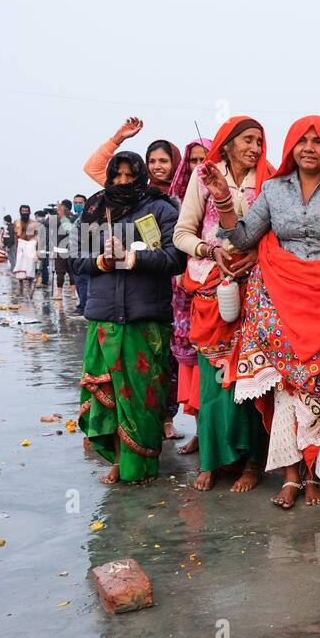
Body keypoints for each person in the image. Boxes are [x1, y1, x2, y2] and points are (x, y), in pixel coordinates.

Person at [212, 115, 320, 508]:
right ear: (291, 147)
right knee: (287, 391)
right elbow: (241, 237)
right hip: (281, 297)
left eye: (317, 141)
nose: (309, 147)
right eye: (301, 141)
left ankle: (318, 476)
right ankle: (291, 477)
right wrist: (223, 199)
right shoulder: (274, 190)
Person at [71, 151, 186, 484]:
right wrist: (103, 262)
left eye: (130, 176)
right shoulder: (95, 210)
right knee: (110, 398)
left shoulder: (160, 208)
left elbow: (174, 258)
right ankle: (120, 462)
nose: (123, 181)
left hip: (145, 317)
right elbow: (77, 261)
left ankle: (146, 464)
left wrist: (134, 258)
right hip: (104, 316)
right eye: (117, 175)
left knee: (144, 396)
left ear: (141, 177)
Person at [174, 117, 272, 494]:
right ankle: (212, 460)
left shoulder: (268, 180)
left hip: (255, 288)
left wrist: (257, 257)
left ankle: (252, 461)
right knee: (214, 381)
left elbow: (277, 233)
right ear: (227, 144)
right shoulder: (204, 177)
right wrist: (209, 251)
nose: (255, 148)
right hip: (210, 290)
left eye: (260, 142)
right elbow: (182, 233)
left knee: (250, 376)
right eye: (248, 140)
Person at [166, 137, 212, 453]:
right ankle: (199, 431)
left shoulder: (217, 195)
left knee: (212, 365)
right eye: (193, 161)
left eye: (204, 159)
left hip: (213, 287)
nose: (198, 167)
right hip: (182, 294)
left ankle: (214, 434)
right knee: (191, 365)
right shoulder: (173, 200)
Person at [12, 204, 38, 298]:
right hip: (21, 244)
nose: (25, 213)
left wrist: (37, 248)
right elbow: (15, 235)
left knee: (30, 265)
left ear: (29, 212)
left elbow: (37, 235)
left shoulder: (34, 222)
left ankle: (29, 287)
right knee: (20, 265)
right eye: (23, 211)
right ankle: (21, 287)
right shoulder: (17, 222)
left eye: (27, 211)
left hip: (31, 244)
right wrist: (16, 248)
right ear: (20, 212)